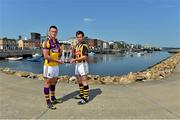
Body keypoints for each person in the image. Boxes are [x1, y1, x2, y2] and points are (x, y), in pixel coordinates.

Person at [42, 25, 63, 110]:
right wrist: (58, 61)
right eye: (52, 31)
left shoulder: (57, 42)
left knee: (54, 82)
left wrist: (61, 52)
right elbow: (46, 56)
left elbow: (59, 55)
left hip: (56, 67)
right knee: (47, 83)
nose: (54, 33)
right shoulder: (46, 42)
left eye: (55, 31)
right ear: (49, 32)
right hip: (49, 66)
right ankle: (48, 102)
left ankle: (53, 98)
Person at [70, 30, 89, 105]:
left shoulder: (85, 45)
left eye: (80, 37)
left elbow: (85, 56)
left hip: (82, 64)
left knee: (84, 80)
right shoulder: (77, 45)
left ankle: (86, 97)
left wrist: (75, 59)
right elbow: (74, 55)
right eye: (78, 37)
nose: (79, 38)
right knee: (79, 79)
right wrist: (72, 59)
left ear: (83, 37)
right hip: (77, 64)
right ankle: (81, 94)